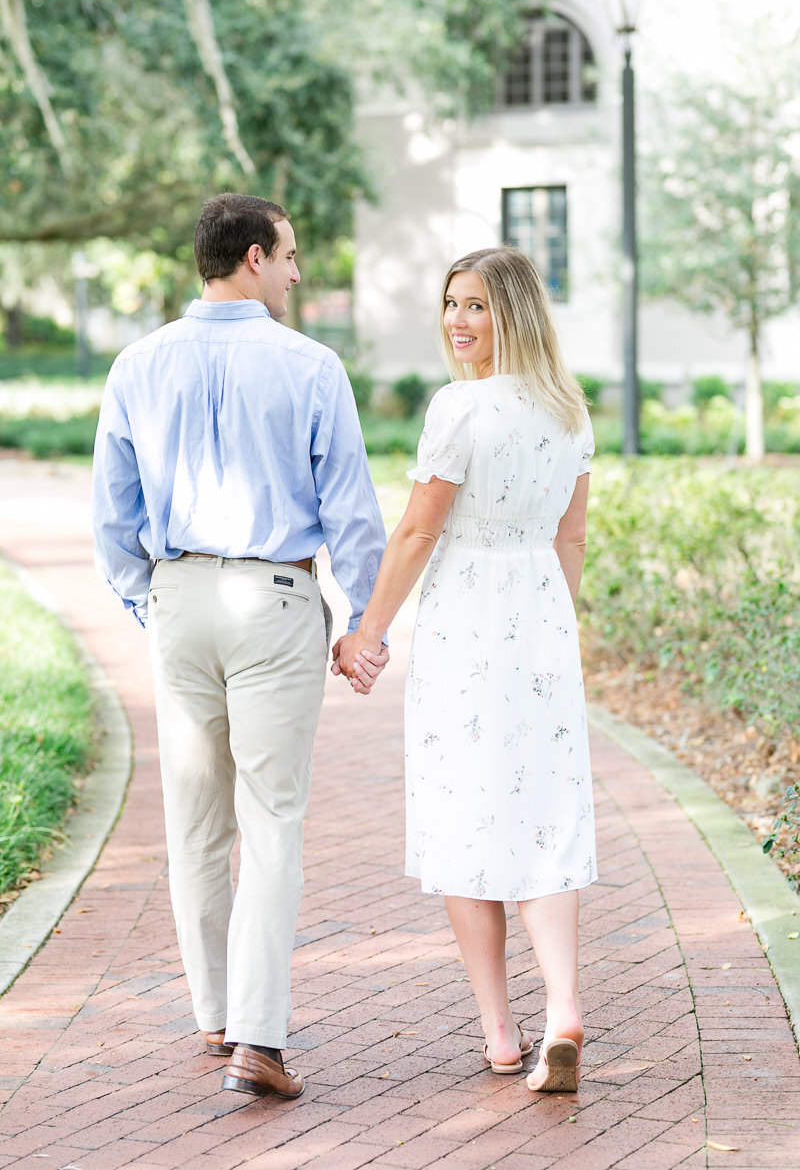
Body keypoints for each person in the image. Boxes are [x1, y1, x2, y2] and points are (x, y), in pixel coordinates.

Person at [92, 192, 387, 1101]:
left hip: (181, 596)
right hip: (275, 595)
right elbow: (352, 511)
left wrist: (153, 602)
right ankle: (258, 1040)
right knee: (273, 823)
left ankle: (216, 1014)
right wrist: (362, 620)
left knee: (196, 824)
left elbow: (114, 516)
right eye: (292, 255)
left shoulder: (135, 365)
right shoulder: (310, 365)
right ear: (254, 257)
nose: (298, 272)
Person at [335, 245, 596, 1093]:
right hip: (543, 618)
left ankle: (500, 1032)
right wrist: (557, 623)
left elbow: (417, 531)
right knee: (545, 810)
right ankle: (563, 1004)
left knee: (466, 811)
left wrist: (370, 631)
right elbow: (571, 540)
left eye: (477, 306)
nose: (457, 321)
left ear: (511, 314)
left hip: (467, 624)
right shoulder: (569, 412)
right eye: (451, 303)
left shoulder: (459, 408)